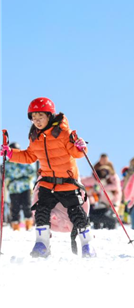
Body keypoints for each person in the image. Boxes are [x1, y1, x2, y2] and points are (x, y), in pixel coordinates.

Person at [0, 97, 95, 257]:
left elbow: (77, 153)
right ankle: (42, 244)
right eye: (34, 118)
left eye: (40, 117)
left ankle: (87, 245)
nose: (36, 121)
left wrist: (81, 146)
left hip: (67, 183)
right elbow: (29, 156)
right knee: (41, 211)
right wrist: (10, 153)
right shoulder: (35, 136)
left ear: (49, 116)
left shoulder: (64, 133)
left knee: (77, 214)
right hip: (47, 183)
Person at [4, 142, 36, 231]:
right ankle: (15, 225)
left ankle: (28, 224)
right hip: (13, 188)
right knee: (14, 207)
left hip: (25, 186)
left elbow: (31, 172)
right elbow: (5, 175)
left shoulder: (24, 160)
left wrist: (21, 175)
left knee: (27, 205)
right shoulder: (7, 164)